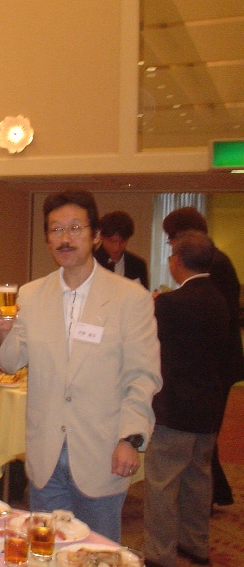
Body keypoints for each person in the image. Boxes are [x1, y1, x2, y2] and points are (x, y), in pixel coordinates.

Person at [0, 189, 162, 542]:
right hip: (45, 453)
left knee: (97, 552)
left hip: (103, 450)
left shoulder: (131, 298)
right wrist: (4, 331)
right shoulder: (30, 295)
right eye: (56, 230)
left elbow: (142, 376)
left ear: (95, 235)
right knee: (45, 551)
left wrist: (131, 438)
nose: (65, 238)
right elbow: (10, 362)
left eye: (75, 228)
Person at [143, 231, 230, 567]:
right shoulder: (219, 299)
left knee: (162, 484)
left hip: (175, 407)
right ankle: (196, 545)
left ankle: (160, 554)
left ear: (177, 261)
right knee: (198, 479)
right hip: (208, 406)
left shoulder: (170, 304)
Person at [162, 206, 244, 507]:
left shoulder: (212, 266)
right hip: (218, 361)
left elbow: (207, 317)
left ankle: (206, 497)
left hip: (213, 364)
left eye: (172, 239)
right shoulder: (216, 259)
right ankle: (212, 495)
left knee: (201, 437)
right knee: (204, 437)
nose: (172, 246)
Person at [94, 210, 149, 289]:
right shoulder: (92, 262)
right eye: (112, 241)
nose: (117, 247)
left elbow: (145, 294)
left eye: (123, 242)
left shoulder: (137, 265)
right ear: (101, 237)